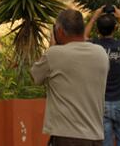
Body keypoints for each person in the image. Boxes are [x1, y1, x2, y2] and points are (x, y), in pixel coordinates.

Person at [31, 9, 109, 146]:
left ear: (59, 31)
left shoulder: (54, 55)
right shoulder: (101, 53)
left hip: (67, 137)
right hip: (95, 137)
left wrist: (52, 46)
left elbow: (35, 76)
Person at [84, 5, 120, 146]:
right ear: (115, 29)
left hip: (101, 103)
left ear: (98, 30)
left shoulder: (94, 46)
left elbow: (83, 37)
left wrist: (94, 16)